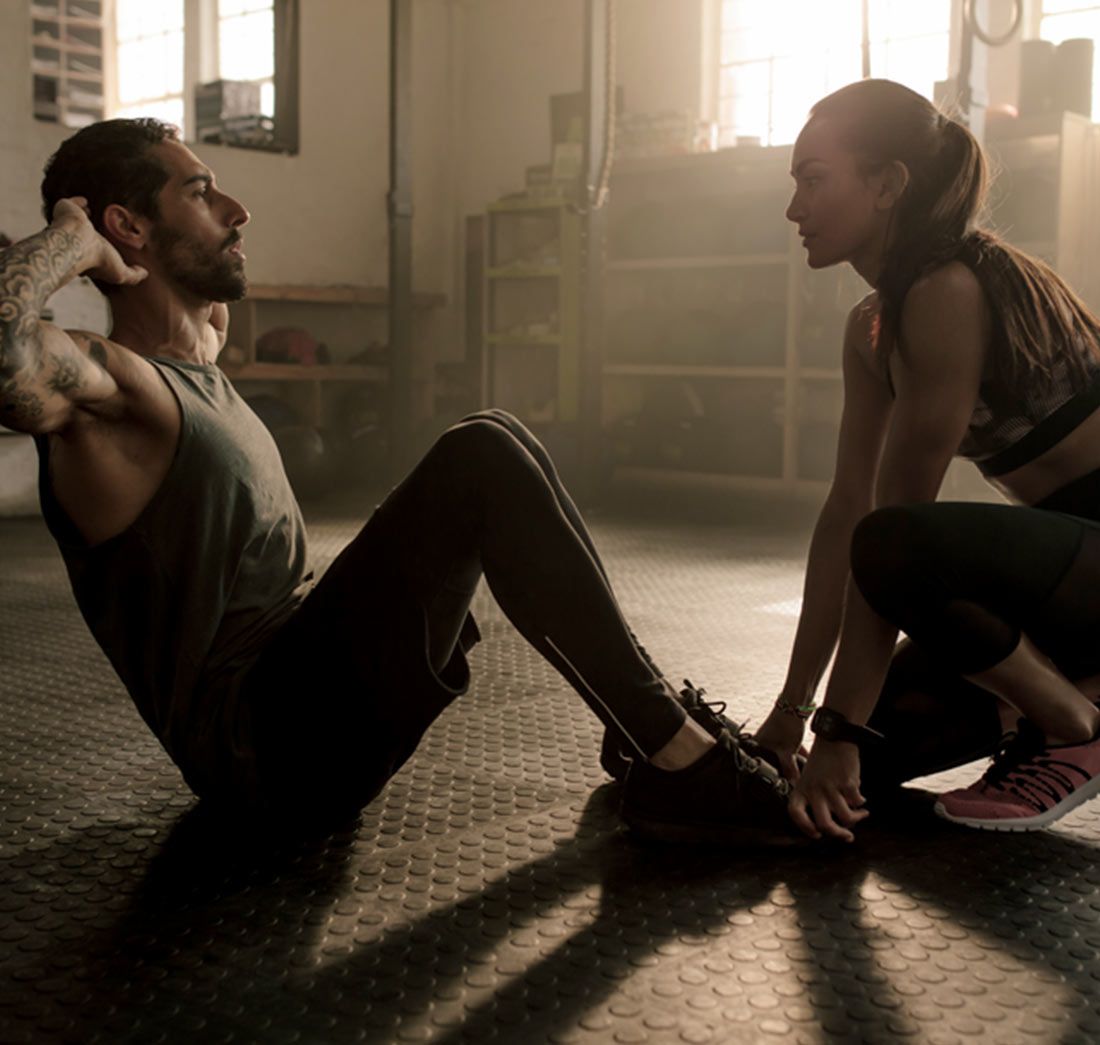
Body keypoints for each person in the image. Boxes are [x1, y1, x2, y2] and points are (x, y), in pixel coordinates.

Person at [0, 118, 796, 845]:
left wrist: (145, 255)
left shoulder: (200, 350)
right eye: (202, 192)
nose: (238, 209)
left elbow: (197, 310)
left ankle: (641, 726)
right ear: (126, 226)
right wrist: (71, 235)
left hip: (303, 703)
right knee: (479, 453)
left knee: (501, 434)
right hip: (265, 753)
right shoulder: (108, 397)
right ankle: (679, 762)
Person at [750, 78, 1100, 840]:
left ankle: (1073, 722)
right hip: (1067, 582)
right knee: (868, 762)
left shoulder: (946, 292)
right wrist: (795, 717)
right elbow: (845, 512)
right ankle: (1056, 693)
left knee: (895, 548)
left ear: (885, 185)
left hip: (1090, 568)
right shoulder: (870, 327)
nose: (794, 208)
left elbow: (891, 539)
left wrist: (838, 728)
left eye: (814, 180)